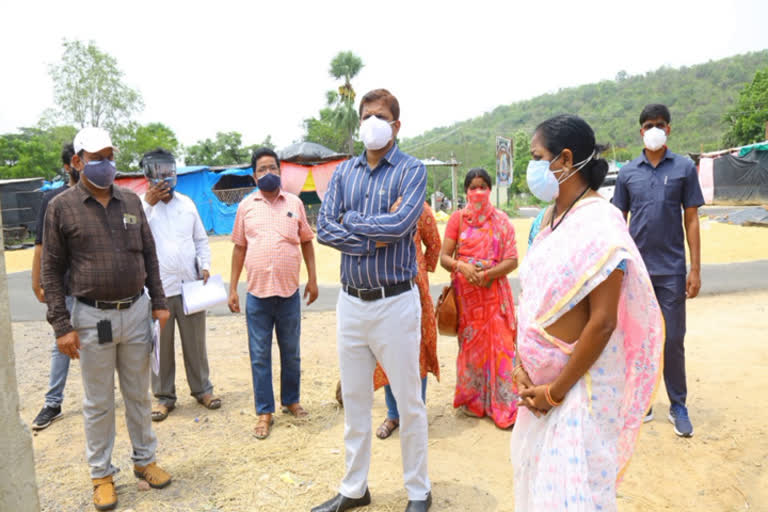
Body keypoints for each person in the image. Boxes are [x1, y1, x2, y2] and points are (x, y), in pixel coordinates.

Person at [510, 114, 663, 510]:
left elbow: (603, 322)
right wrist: (521, 363)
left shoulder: (601, 224)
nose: (533, 167)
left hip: (579, 393)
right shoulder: (551, 219)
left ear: (563, 160)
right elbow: (534, 297)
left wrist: (554, 393)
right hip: (538, 395)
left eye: (536, 157)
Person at [42, 127, 173, 511]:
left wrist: (160, 302)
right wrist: (61, 326)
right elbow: (51, 271)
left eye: (110, 155)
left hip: (135, 311)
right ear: (79, 162)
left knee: (138, 393)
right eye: (97, 157)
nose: (106, 164)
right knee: (98, 401)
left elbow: (149, 256)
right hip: (90, 316)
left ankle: (145, 461)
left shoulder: (131, 201)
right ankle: (101, 474)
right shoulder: (61, 208)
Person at [314, 88, 432, 512]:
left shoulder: (412, 171)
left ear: (396, 125)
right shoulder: (345, 173)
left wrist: (353, 224)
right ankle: (354, 489)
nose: (371, 123)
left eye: (379, 116)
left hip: (395, 303)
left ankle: (418, 490)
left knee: (409, 401)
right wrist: (369, 238)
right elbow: (324, 227)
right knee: (357, 402)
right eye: (365, 116)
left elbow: (401, 225)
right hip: (351, 303)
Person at [612, 104, 704, 438]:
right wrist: (616, 265)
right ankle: (643, 402)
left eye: (660, 124)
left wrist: (695, 268)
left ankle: (678, 404)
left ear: (669, 129)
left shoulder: (683, 168)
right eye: (649, 124)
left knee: (674, 338)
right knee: (637, 338)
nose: (654, 129)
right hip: (636, 271)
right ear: (640, 131)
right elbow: (617, 221)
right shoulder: (627, 172)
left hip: (672, 270)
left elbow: (691, 218)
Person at [228, 147, 318, 440]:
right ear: (254, 175)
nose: (268, 173)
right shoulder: (246, 207)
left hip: (289, 292)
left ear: (281, 171)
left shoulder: (294, 203)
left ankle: (291, 401)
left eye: (273, 168)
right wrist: (232, 288)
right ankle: (264, 411)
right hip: (257, 295)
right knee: (259, 355)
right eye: (262, 169)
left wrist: (313, 279)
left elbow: (306, 241)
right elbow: (239, 248)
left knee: (291, 353)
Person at [334, 202, 441, 439]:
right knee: (385, 354)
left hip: (413, 287)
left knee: (415, 354)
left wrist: (422, 267)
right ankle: (393, 414)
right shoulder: (371, 205)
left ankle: (415, 414)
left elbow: (434, 244)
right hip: (378, 287)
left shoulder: (419, 208)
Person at [140, 148, 220, 422]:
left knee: (196, 343)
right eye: (157, 171)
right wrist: (147, 205)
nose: (164, 177)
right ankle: (164, 397)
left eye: (168, 170)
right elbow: (130, 238)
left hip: (190, 286)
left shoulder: (187, 204)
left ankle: (202, 390)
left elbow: (200, 240)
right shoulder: (140, 208)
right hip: (158, 290)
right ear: (147, 174)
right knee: (160, 347)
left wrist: (205, 265)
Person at [439, 168, 519, 429]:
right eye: (472, 187)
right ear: (466, 191)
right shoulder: (457, 220)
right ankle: (474, 403)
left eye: (483, 186)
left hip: (494, 295)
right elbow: (444, 257)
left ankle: (503, 404)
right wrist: (463, 267)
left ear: (490, 189)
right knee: (472, 351)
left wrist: (487, 275)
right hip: (468, 300)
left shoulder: (502, 221)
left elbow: (512, 260)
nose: (478, 192)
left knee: (502, 348)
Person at [31, 142, 81, 430]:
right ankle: (53, 402)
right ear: (68, 165)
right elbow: (40, 246)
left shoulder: (100, 198)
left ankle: (103, 399)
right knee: (61, 343)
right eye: (78, 160)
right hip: (63, 287)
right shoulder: (52, 200)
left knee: (102, 341)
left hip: (94, 289)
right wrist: (36, 281)